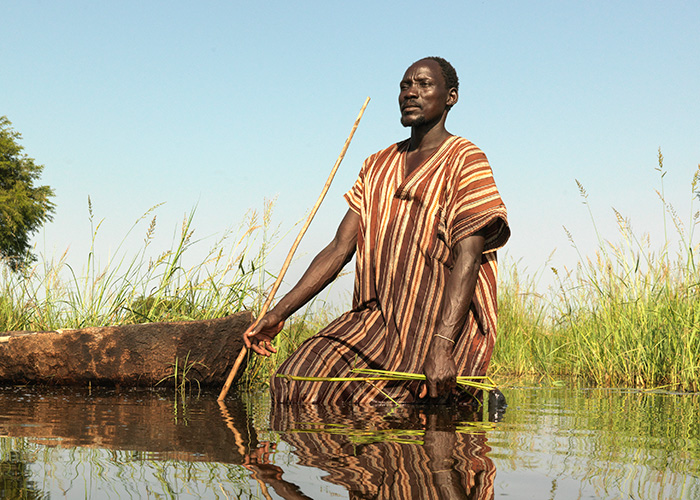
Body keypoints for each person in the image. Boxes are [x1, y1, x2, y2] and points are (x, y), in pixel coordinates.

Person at [244, 56, 510, 405]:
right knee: (294, 383)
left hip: (434, 325)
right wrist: (278, 314)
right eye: (404, 86)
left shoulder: (465, 158)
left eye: (424, 84)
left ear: (451, 97)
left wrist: (443, 346)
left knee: (399, 409)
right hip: (377, 319)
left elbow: (469, 256)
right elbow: (339, 248)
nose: (410, 93)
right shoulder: (376, 165)